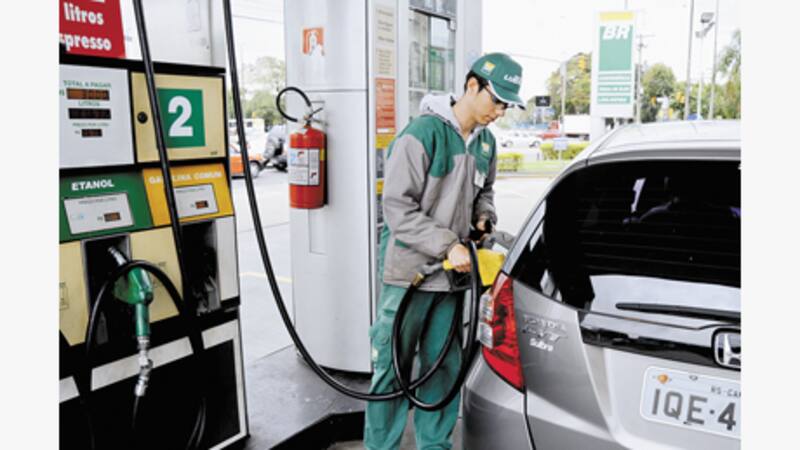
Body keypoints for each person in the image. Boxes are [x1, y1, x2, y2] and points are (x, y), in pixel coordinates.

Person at [364, 53, 525, 450]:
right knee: (392, 370)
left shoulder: (485, 143)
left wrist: (484, 217)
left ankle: (435, 446)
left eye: (506, 105)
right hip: (409, 275)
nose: (499, 112)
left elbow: (485, 191)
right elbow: (397, 208)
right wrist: (447, 244)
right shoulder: (422, 133)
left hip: (452, 280)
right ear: (472, 86)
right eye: (496, 100)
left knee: (443, 369)